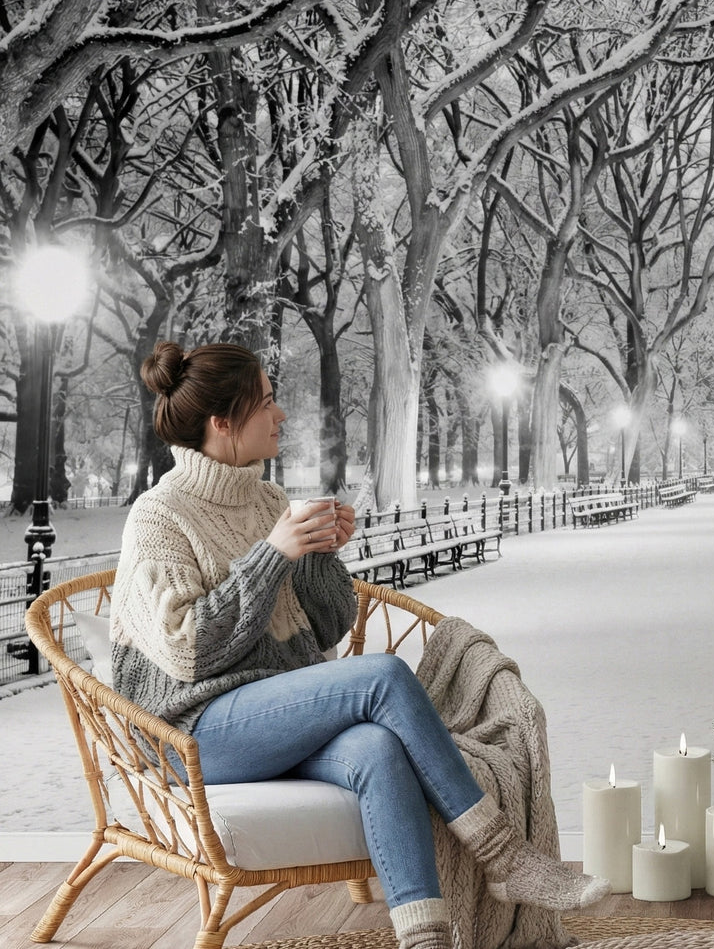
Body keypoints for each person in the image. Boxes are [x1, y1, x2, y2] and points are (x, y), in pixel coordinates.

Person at [110, 341, 606, 949]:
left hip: (273, 716)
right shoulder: (158, 517)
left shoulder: (267, 500)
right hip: (189, 733)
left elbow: (327, 627)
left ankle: (423, 940)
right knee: (384, 675)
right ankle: (501, 857)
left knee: (375, 748)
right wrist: (274, 554)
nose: (281, 415)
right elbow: (188, 651)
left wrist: (321, 556)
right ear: (223, 423)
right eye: (268, 402)